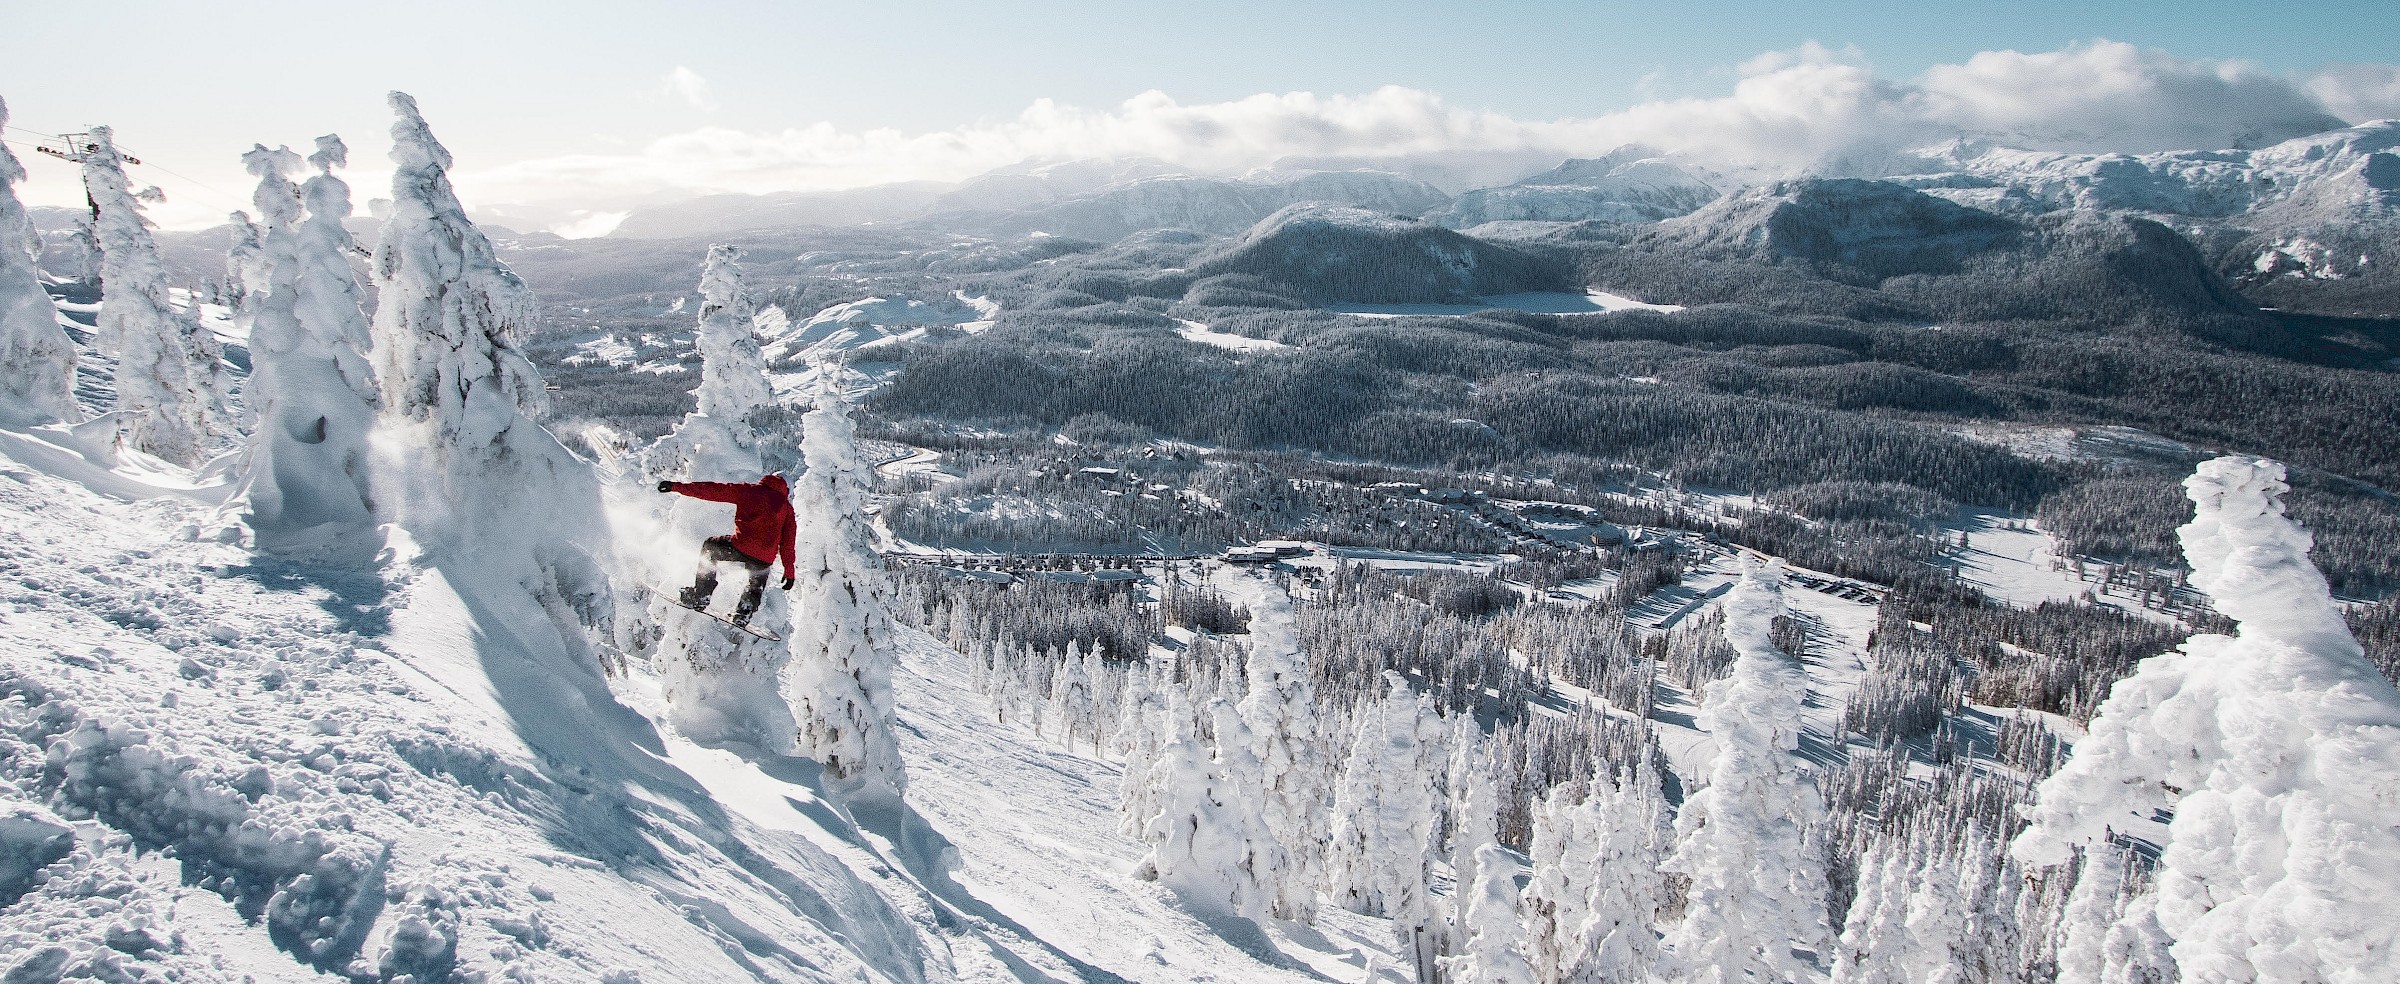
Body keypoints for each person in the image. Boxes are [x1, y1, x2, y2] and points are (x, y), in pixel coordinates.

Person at [658, 473, 798, 627]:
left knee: (710, 547)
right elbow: (788, 543)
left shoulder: (749, 491)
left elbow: (713, 490)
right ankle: (744, 612)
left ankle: (701, 594)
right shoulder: (787, 509)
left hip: (741, 546)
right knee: (758, 576)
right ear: (787, 489)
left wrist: (675, 486)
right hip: (764, 557)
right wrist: (789, 571)